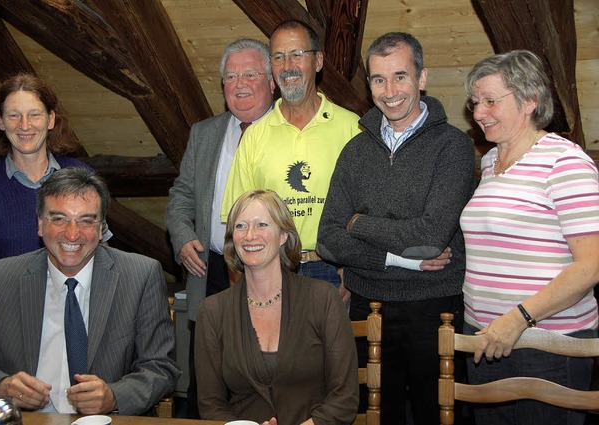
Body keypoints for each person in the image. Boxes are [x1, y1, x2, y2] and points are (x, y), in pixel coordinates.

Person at [317, 32, 475, 424]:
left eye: (400, 76)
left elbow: (429, 237)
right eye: (378, 79)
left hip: (435, 307)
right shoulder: (355, 150)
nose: (390, 91)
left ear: (422, 78)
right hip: (367, 303)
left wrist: (360, 223)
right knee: (372, 415)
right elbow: (328, 238)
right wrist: (403, 261)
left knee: (432, 413)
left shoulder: (453, 147)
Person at [0, 167, 180, 415]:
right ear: (40, 225)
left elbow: (161, 367)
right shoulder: (1, 278)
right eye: (59, 219)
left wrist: (115, 396)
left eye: (86, 220)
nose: (72, 234)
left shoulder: (140, 275)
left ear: (101, 228)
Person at [459, 50, 599, 425]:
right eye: (475, 102)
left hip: (546, 344)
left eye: (490, 101)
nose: (478, 112)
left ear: (529, 101)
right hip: (485, 338)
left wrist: (518, 318)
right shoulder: (490, 162)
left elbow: (591, 266)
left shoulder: (564, 162)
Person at [166, 38, 275, 417]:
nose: (240, 84)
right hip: (210, 271)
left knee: (263, 380)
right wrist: (182, 238)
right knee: (206, 383)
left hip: (269, 275)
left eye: (250, 74)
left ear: (272, 81)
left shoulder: (287, 132)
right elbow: (180, 196)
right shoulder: (204, 133)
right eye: (231, 76)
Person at [221, 20, 361, 293]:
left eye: (297, 55)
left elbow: (367, 211)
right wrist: (239, 287)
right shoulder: (254, 136)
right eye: (278, 57)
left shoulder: (351, 128)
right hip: (270, 269)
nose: (288, 66)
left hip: (333, 271)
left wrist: (350, 273)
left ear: (318, 61)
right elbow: (236, 222)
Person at [196, 189, 359, 424]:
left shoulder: (322, 299)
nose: (250, 235)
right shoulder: (212, 312)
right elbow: (211, 405)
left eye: (262, 224)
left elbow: (345, 397)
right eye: (240, 226)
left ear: (283, 235)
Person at [0, 73, 110, 326]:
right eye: (14, 115)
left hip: (75, 316)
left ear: (51, 119)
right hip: (9, 322)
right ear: (0, 121)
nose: (25, 125)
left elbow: (103, 253)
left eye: (35, 114)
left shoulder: (83, 177)